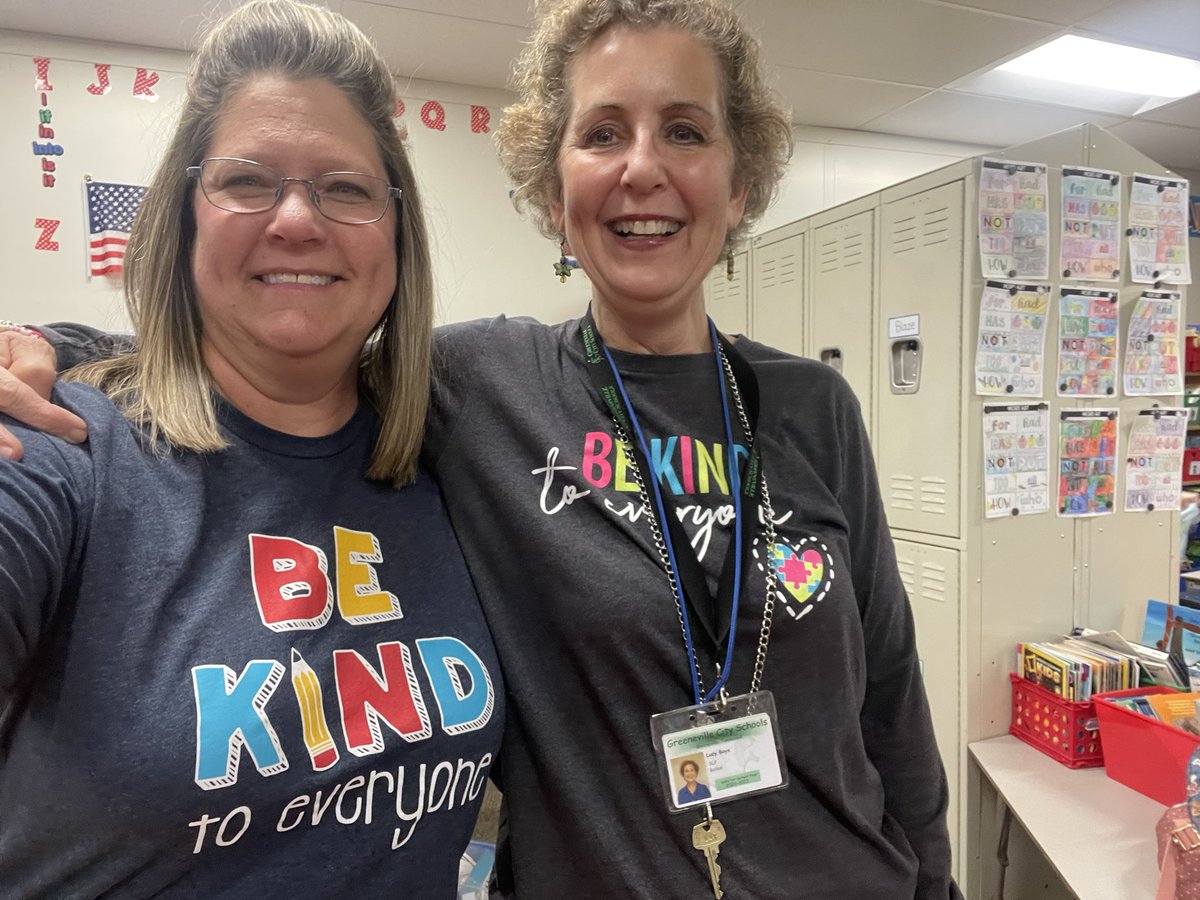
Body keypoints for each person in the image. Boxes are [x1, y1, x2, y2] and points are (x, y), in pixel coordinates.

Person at [2, 0, 961, 896]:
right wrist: (54, 349)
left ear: (739, 178)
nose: (643, 167)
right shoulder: (480, 386)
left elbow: (891, 702)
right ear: (554, 185)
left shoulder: (811, 407)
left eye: (686, 129)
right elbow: (279, 333)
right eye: (602, 132)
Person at [0, 2, 502, 897]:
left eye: (345, 188)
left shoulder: (455, 456)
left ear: (396, 233)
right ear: (186, 221)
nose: (297, 221)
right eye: (248, 181)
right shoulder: (61, 449)